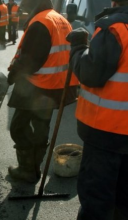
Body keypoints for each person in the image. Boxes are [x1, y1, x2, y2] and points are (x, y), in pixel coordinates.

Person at [66, 0, 128, 219]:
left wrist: (78, 48)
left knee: (97, 202)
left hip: (106, 133)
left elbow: (91, 74)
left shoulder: (115, 28)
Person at [6, 0, 79, 183]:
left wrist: (14, 74)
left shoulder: (41, 22)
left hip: (37, 86)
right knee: (40, 128)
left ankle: (27, 169)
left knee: (18, 128)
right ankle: (35, 168)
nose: (22, 5)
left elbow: (31, 61)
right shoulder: (60, 19)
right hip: (56, 86)